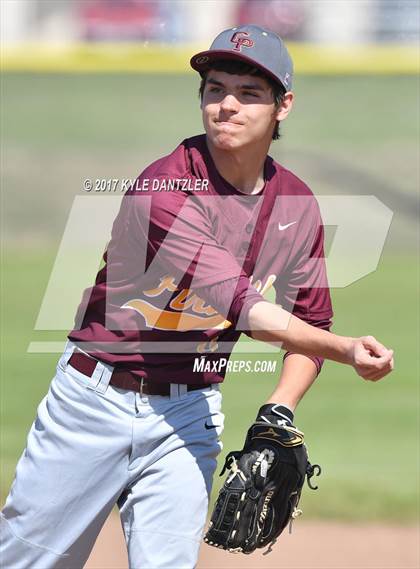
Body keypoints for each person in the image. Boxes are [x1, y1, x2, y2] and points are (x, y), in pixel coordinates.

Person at [0, 24, 393, 569]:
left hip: (190, 410)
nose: (226, 105)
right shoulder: (161, 189)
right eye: (215, 89)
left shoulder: (297, 205)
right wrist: (347, 350)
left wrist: (280, 406)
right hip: (93, 402)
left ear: (284, 106)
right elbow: (248, 311)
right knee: (29, 562)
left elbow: (310, 324)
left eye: (249, 93)